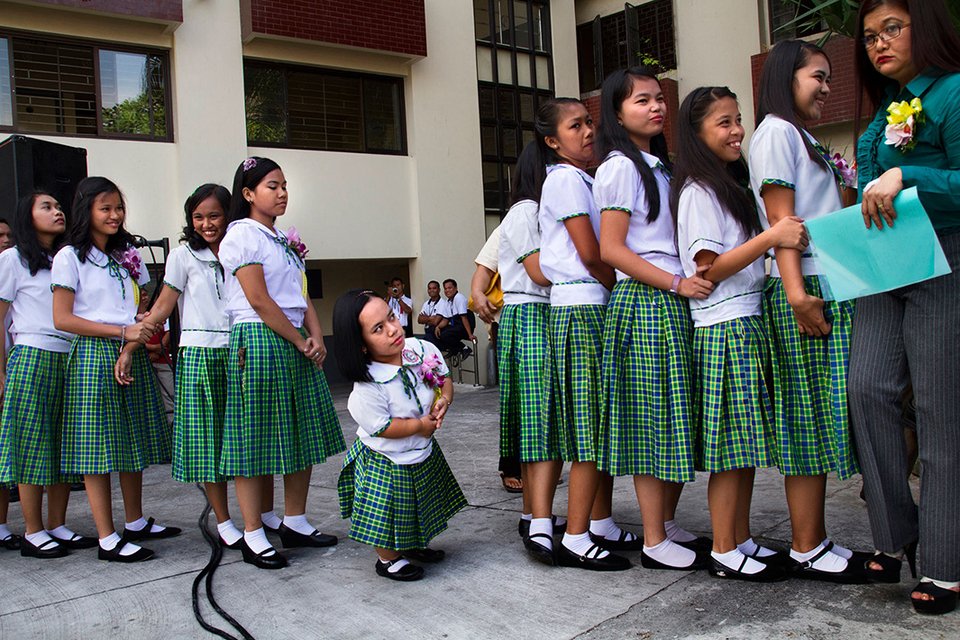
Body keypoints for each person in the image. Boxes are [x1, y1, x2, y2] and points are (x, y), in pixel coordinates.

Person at [849, 0, 960, 615]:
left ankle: (945, 562)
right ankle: (901, 535)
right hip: (885, 263)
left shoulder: (953, 92)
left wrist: (909, 177)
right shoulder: (885, 111)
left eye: (892, 28)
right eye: (869, 36)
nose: (878, 43)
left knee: (943, 414)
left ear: (929, 25)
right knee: (866, 390)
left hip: (945, 259)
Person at [672, 86, 810, 581]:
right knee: (731, 451)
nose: (737, 132)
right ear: (697, 133)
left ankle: (741, 537)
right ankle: (725, 550)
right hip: (724, 326)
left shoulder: (726, 184)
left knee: (744, 446)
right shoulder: (698, 191)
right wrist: (770, 238)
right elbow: (708, 270)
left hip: (744, 322)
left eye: (737, 121)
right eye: (723, 123)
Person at [748, 40, 867, 583]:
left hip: (825, 280)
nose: (825, 86)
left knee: (820, 415)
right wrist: (796, 295)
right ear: (786, 76)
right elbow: (782, 222)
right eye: (817, 76)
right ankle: (806, 545)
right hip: (805, 286)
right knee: (804, 418)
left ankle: (812, 539)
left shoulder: (800, 135)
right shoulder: (774, 131)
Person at [594, 68, 712, 572]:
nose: (656, 107)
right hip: (647, 300)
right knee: (651, 418)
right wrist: (676, 284)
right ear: (617, 113)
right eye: (642, 100)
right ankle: (654, 538)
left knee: (673, 413)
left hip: (669, 301)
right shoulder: (620, 166)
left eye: (659, 98)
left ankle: (661, 522)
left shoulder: (658, 164)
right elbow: (611, 249)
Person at [217, 157, 346, 569]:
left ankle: (295, 520)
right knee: (253, 437)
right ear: (248, 193)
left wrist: (313, 333)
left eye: (285, 185)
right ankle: (254, 533)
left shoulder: (283, 241)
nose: (282, 192)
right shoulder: (241, 236)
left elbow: (302, 294)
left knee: (301, 430)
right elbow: (257, 299)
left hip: (294, 337)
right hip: (260, 337)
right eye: (272, 186)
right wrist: (299, 339)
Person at [51, 177, 178, 563]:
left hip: (130, 351)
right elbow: (63, 319)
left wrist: (139, 326)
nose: (114, 215)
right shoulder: (69, 256)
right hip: (93, 355)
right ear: (86, 209)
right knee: (98, 448)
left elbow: (135, 309)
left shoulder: (126, 257)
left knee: (131, 440)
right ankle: (107, 537)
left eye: (118, 207)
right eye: (105, 208)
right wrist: (121, 329)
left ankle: (135, 521)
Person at [536, 97, 632, 571]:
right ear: (553, 141)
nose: (589, 131)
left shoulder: (583, 178)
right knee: (590, 425)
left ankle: (599, 521)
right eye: (576, 126)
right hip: (582, 305)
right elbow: (593, 253)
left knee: (598, 420)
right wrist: (628, 283)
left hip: (587, 303)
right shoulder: (567, 179)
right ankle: (575, 535)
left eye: (590, 122)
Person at [135, 184, 244, 550]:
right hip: (199, 354)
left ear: (228, 214)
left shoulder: (240, 249)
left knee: (248, 438)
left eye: (214, 215)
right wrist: (130, 343)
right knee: (211, 443)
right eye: (198, 217)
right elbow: (163, 307)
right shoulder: (182, 256)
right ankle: (225, 521)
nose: (206, 223)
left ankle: (260, 514)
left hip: (241, 350)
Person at [332, 290, 466, 582]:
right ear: (361, 346)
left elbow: (443, 379)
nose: (393, 329)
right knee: (388, 511)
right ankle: (388, 558)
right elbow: (383, 427)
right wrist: (419, 425)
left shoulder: (419, 350)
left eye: (390, 317)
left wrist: (444, 399)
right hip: (386, 459)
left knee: (420, 503)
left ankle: (415, 544)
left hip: (420, 450)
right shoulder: (368, 388)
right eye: (378, 328)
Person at [0, 192, 95, 559]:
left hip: (68, 356)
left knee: (61, 445)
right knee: (31, 444)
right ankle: (32, 530)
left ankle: (57, 524)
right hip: (33, 356)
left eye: (59, 207)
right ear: (28, 215)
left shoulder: (65, 259)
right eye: (47, 207)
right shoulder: (12, 259)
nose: (57, 212)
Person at [495, 141, 569, 561]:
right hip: (530, 315)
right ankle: (537, 519)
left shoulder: (538, 212)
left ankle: (532, 514)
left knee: (543, 419)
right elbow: (539, 272)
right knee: (539, 418)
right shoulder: (525, 211)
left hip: (540, 315)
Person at [469, 226, 524, 495]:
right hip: (512, 319)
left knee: (541, 400)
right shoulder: (514, 221)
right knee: (514, 399)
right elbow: (485, 267)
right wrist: (478, 295)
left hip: (551, 314)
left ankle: (538, 466)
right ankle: (511, 467)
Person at [426, 279, 475, 357]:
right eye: (445, 288)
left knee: (446, 334)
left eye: (450, 288)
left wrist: (470, 335)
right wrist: (438, 327)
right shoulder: (448, 302)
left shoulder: (459, 298)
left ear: (455, 288)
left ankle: (464, 348)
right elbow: (446, 319)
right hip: (456, 325)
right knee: (432, 330)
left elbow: (464, 318)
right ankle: (453, 349)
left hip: (465, 325)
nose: (447, 290)